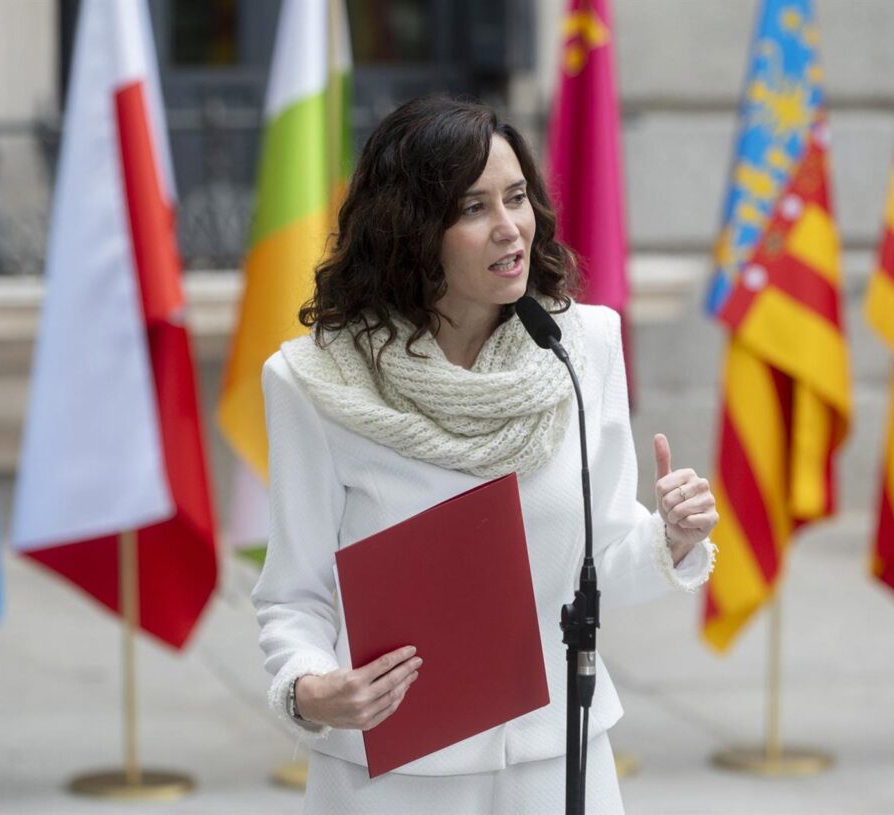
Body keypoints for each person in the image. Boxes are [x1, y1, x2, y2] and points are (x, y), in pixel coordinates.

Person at [253, 94, 719, 814]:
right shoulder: (312, 382)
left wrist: (672, 539)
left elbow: (597, 569)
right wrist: (312, 688)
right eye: (473, 208)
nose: (510, 228)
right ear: (411, 230)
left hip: (556, 761)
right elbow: (295, 596)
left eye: (517, 197)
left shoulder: (581, 347)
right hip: (390, 777)